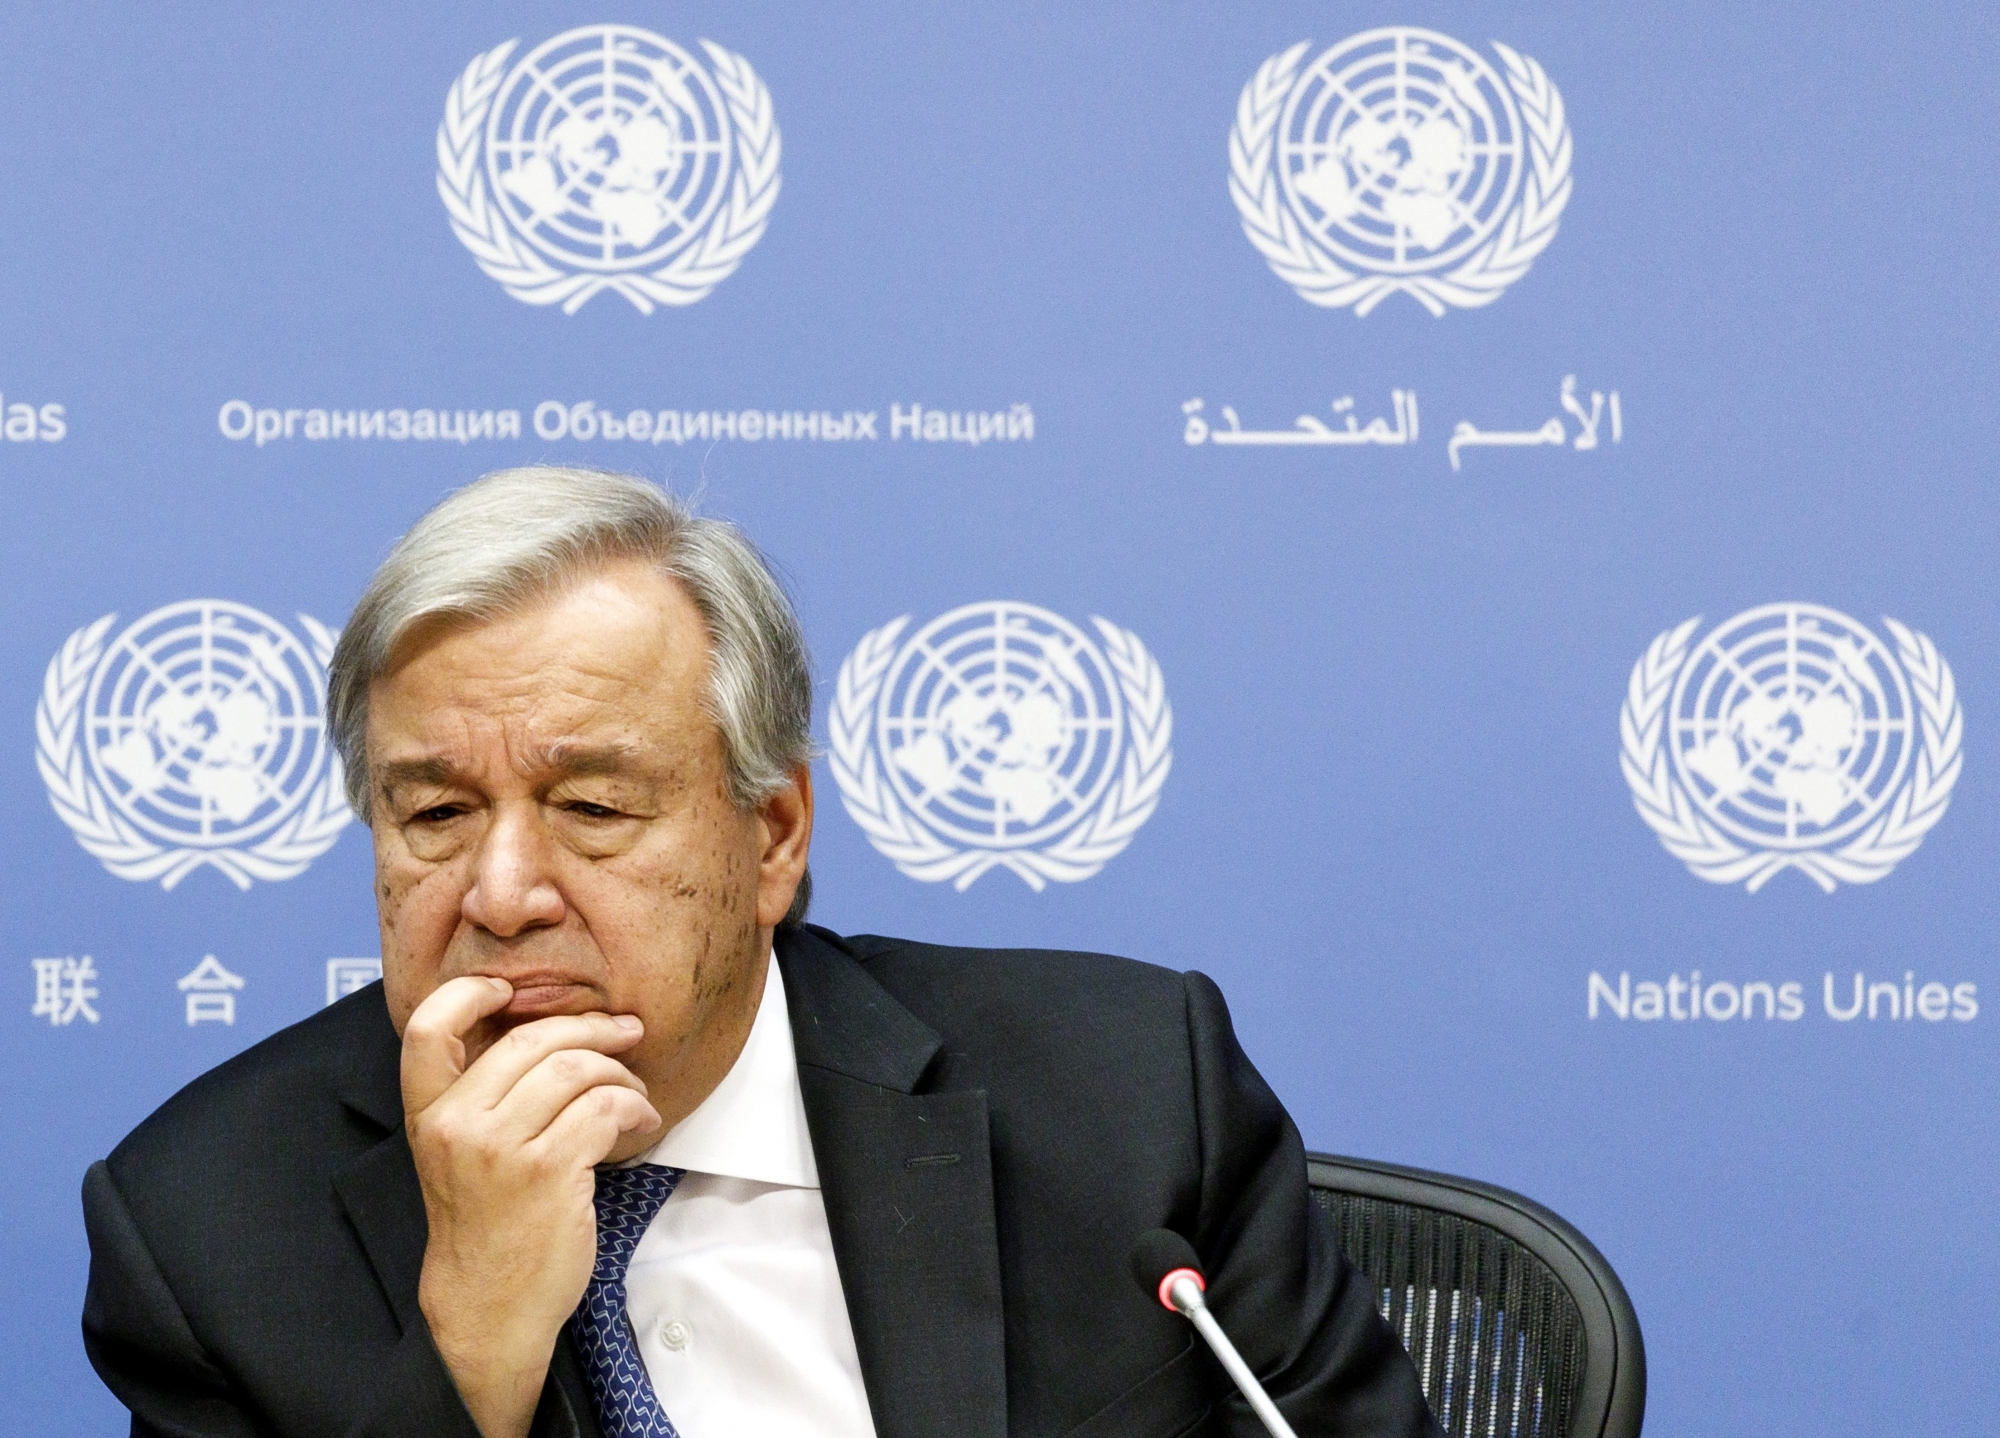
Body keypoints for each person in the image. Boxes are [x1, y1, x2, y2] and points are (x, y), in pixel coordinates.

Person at [82, 467, 1439, 1438]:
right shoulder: (212, 1225)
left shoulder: (1130, 1098)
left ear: (772, 834)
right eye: (433, 812)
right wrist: (470, 1347)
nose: (499, 892)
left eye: (591, 809)